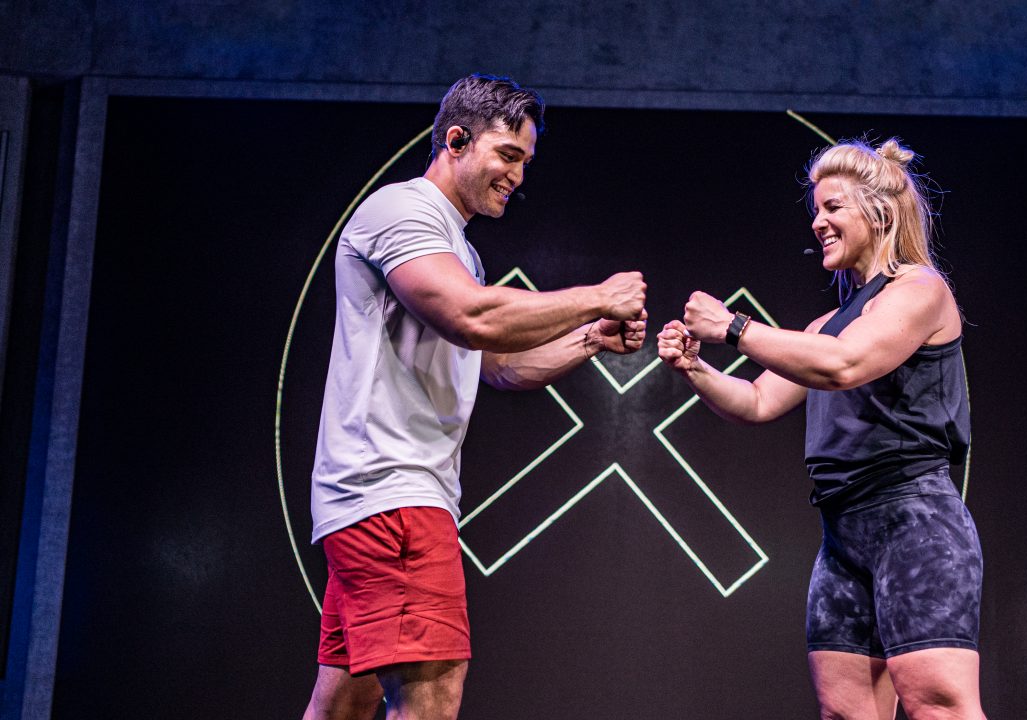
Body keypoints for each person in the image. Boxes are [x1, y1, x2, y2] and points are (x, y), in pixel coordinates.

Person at [302, 74, 647, 720]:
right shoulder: (401, 212)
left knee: (343, 704)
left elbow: (501, 365)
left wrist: (591, 340)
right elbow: (474, 317)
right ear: (455, 140)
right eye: (507, 156)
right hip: (393, 496)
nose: (517, 176)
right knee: (433, 690)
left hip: (381, 499)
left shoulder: (457, 248)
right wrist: (599, 295)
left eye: (526, 162)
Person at [657, 138, 983, 720]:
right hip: (842, 533)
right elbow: (757, 401)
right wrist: (694, 368)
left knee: (938, 706)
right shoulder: (826, 324)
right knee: (845, 713)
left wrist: (731, 327)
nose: (818, 221)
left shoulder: (919, 291)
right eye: (816, 209)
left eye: (833, 207)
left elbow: (843, 365)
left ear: (879, 213)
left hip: (914, 521)